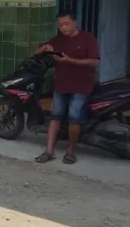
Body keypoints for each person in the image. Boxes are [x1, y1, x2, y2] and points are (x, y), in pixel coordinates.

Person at [34, 12, 99, 165]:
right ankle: (49, 151)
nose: (63, 28)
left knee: (74, 118)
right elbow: (35, 53)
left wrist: (70, 60)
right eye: (60, 25)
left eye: (66, 24)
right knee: (55, 117)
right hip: (61, 84)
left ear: (74, 23)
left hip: (81, 85)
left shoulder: (87, 38)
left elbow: (93, 62)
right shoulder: (58, 40)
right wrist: (44, 49)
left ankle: (71, 150)